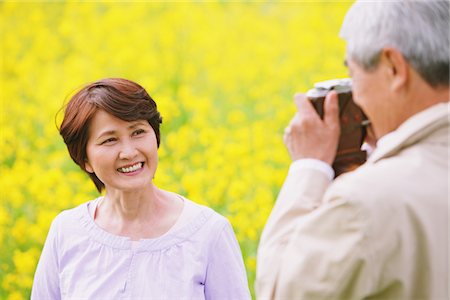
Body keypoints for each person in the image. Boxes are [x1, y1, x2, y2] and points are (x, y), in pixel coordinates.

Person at [256, 1, 449, 299]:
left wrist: (309, 168)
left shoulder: (366, 200)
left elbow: (282, 290)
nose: (355, 94)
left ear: (394, 67)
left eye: (354, 74)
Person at [31, 78, 251, 299]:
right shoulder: (66, 231)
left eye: (138, 132)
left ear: (155, 137)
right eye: (109, 140)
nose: (129, 152)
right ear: (84, 159)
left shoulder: (208, 233)